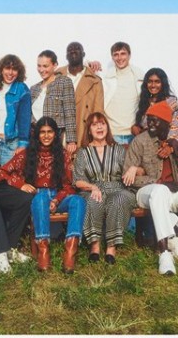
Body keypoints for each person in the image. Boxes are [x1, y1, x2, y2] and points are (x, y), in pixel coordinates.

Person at [123, 101, 178, 276]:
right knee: (160, 191)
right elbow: (128, 178)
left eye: (155, 120)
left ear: (167, 123)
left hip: (172, 193)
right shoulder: (141, 141)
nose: (150, 124)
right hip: (145, 194)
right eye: (149, 119)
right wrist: (155, 181)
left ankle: (174, 237)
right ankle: (164, 253)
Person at [131, 67, 178, 254]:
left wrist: (171, 146)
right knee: (158, 193)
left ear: (163, 83)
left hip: (168, 147)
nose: (153, 85)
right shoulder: (143, 103)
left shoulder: (171, 101)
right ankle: (159, 239)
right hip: (151, 149)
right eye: (150, 81)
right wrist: (136, 129)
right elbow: (145, 127)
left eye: (157, 81)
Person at [0, 117, 85, 274]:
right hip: (37, 196)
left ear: (55, 134)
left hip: (58, 196)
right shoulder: (27, 154)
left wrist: (56, 200)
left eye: (50, 132)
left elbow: (68, 185)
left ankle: (71, 250)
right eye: (42, 132)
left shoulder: (63, 154)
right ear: (37, 135)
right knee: (41, 198)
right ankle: (43, 250)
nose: (46, 135)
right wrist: (21, 185)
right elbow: (0, 172)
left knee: (78, 200)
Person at [74, 112, 136, 265]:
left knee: (119, 199)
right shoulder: (83, 152)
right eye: (94, 125)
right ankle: (94, 246)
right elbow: (77, 180)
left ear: (107, 127)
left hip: (117, 188)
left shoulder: (119, 149)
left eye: (102, 123)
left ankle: (111, 247)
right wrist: (92, 187)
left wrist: (134, 168)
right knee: (92, 200)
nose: (99, 127)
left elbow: (135, 170)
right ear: (89, 130)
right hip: (93, 189)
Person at [57, 42, 105, 148]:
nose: (73, 51)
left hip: (84, 132)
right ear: (66, 56)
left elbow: (98, 112)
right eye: (70, 50)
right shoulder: (57, 75)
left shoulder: (95, 81)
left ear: (83, 54)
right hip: (60, 133)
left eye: (77, 48)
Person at [30, 50, 77, 155]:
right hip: (36, 138)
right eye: (39, 66)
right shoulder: (33, 88)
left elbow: (70, 112)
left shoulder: (64, 82)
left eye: (45, 66)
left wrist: (71, 140)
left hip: (56, 138)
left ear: (55, 65)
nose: (41, 70)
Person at [0, 54, 32, 165]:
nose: (10, 73)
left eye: (14, 69)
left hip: (10, 144)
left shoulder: (22, 89)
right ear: (1, 70)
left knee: (7, 175)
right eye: (7, 68)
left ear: (19, 72)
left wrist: (22, 144)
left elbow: (25, 119)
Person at [100, 42, 144, 145]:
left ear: (129, 55)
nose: (119, 58)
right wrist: (90, 63)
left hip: (134, 133)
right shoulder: (105, 77)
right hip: (112, 133)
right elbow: (85, 69)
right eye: (116, 54)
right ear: (112, 57)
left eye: (123, 53)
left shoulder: (140, 76)